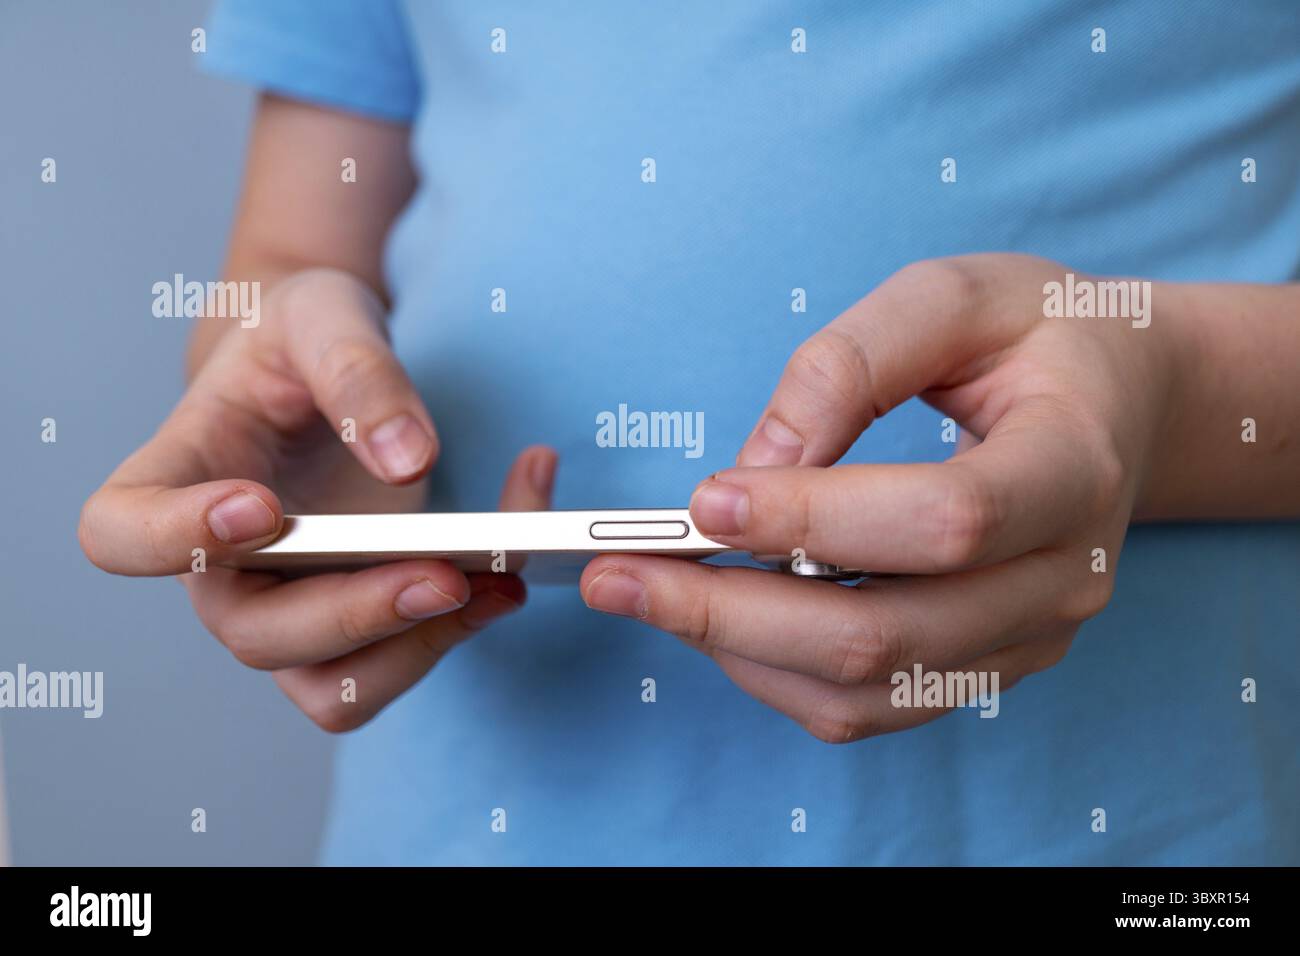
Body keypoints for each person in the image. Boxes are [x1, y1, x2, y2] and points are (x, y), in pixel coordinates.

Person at [79, 1, 1300, 864]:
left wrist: (1165, 390)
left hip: (1140, 827)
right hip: (480, 822)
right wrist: (291, 412)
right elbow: (290, 256)